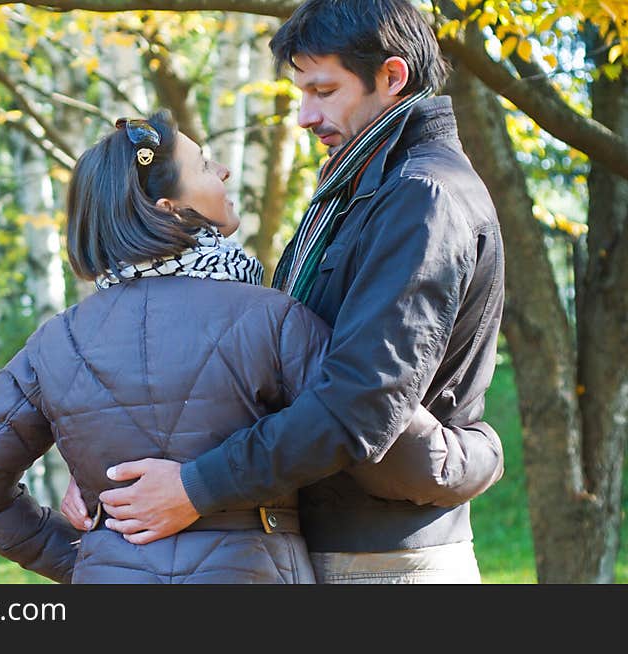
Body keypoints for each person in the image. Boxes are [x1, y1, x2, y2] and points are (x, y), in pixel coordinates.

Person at [0, 108, 498, 584]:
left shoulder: (54, 342)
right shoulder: (274, 319)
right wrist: (480, 454)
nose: (225, 170)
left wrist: (88, 557)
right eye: (206, 165)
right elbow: (376, 442)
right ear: (168, 211)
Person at [67, 0, 506, 584]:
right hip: (315, 544)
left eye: (323, 91)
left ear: (392, 77)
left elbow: (361, 403)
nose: (305, 116)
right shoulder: (354, 186)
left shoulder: (421, 198)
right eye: (302, 92)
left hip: (382, 561)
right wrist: (113, 450)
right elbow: (268, 377)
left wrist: (198, 487)